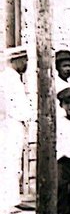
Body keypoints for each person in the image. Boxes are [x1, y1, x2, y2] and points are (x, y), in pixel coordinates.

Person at [0, 47, 32, 205]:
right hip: (10, 124)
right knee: (10, 161)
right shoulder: (9, 79)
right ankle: (10, 200)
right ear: (16, 60)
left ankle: (13, 198)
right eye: (24, 60)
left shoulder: (13, 78)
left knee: (14, 161)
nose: (26, 64)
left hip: (14, 124)